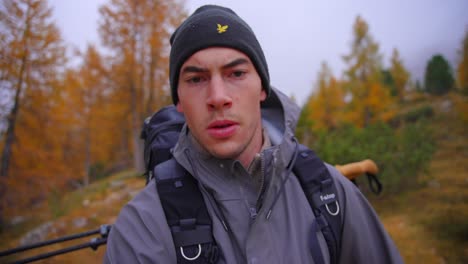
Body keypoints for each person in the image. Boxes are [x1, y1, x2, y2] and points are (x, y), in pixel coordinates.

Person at [104, 5, 403, 264]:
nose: (218, 97)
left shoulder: (329, 194)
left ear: (262, 88)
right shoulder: (141, 230)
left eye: (236, 73)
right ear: (178, 101)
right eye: (196, 79)